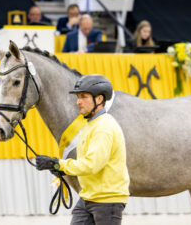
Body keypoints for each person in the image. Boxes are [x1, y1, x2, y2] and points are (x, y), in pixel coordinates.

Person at [36, 74, 130, 225]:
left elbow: (91, 165)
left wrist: (58, 164)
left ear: (99, 99)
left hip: (107, 200)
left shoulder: (103, 127)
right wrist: (60, 168)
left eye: (83, 97)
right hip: (88, 197)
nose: (78, 102)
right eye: (78, 97)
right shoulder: (91, 124)